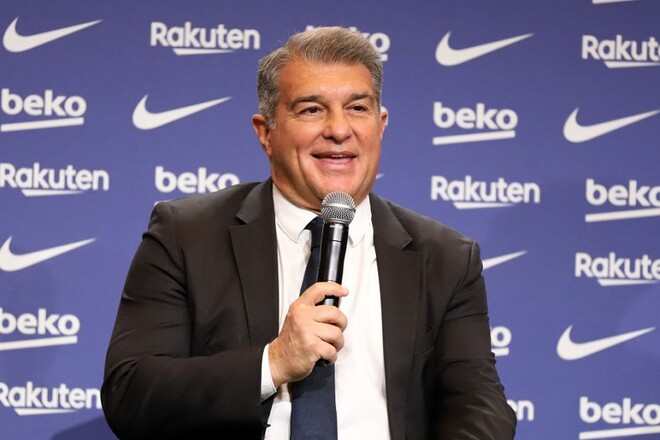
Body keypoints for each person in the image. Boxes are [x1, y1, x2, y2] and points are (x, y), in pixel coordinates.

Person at [102, 26, 516, 439]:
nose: (339, 129)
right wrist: (273, 362)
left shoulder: (445, 257)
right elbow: (130, 392)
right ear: (265, 132)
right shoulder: (186, 236)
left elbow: (479, 405)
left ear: (381, 124)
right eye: (312, 110)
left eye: (357, 108)